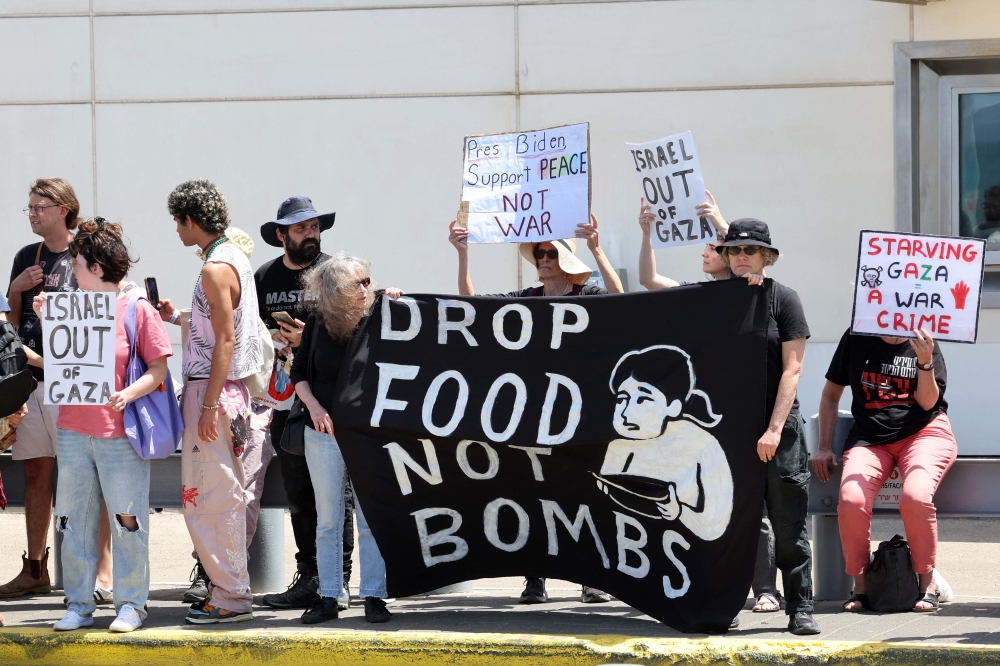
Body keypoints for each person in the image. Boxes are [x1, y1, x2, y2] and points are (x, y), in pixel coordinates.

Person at [448, 215, 621, 604]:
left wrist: (596, 247)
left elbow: (624, 300)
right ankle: (535, 580)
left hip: (582, 418)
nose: (543, 259)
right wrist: (462, 255)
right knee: (535, 496)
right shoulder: (525, 299)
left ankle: (591, 579)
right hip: (532, 418)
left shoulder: (588, 295)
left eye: (550, 253)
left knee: (585, 495)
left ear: (565, 261)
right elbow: (470, 307)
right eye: (539, 253)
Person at [637, 196, 780, 614]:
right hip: (709, 417)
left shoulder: (750, 289)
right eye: (720, 247)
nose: (709, 252)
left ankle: (765, 589)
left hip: (748, 415)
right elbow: (648, 279)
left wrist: (716, 218)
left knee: (756, 506)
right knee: (706, 500)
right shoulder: (697, 295)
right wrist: (646, 232)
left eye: (714, 247)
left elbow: (747, 248)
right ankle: (710, 585)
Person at [30, 218, 172, 633]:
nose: (70, 270)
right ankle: (78, 603)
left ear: (95, 265)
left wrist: (128, 394)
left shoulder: (137, 308)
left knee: (127, 519)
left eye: (76, 262)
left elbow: (159, 370)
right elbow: (64, 365)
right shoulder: (69, 308)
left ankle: (130, 604)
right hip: (73, 430)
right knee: (73, 520)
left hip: (120, 434)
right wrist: (46, 323)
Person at [158, 228, 276, 606]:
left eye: (179, 220)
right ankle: (226, 590)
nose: (176, 229)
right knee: (217, 496)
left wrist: (208, 405)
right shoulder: (234, 270)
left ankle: (230, 595)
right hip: (225, 396)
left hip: (220, 396)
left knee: (216, 497)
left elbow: (224, 340)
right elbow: (212, 330)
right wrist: (176, 316)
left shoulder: (218, 268)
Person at [715, 219, 819, 636]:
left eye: (750, 251)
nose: (741, 257)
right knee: (728, 524)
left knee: (788, 522)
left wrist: (774, 430)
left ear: (767, 257)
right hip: (727, 432)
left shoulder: (783, 299)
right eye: (734, 250)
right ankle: (724, 604)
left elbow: (793, 369)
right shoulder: (709, 300)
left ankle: (800, 608)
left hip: (779, 429)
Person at [253, 197, 355, 612]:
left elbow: (355, 327)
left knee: (336, 495)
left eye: (314, 227)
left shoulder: (336, 273)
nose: (310, 235)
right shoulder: (263, 276)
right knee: (299, 493)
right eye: (300, 229)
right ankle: (310, 576)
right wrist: (273, 339)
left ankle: (337, 580)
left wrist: (308, 338)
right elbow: (250, 331)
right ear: (281, 235)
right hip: (285, 400)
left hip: (329, 401)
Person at [811, 327, 954, 612]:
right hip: (869, 438)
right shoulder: (856, 336)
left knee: (915, 496)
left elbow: (928, 402)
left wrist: (924, 361)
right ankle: (862, 587)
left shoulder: (923, 338)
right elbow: (830, 396)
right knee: (851, 500)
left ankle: (927, 584)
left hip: (923, 432)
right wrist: (824, 446)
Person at [290, 253, 400, 625]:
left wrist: (398, 298)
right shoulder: (318, 320)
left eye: (369, 280)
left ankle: (374, 595)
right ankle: (330, 597)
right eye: (360, 283)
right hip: (322, 433)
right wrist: (315, 408)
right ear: (336, 290)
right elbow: (299, 373)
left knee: (371, 518)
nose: (367, 287)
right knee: (328, 520)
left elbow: (411, 319)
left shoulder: (380, 312)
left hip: (367, 435)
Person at [1, 178, 81, 600]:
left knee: (79, 477)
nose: (33, 213)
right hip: (30, 382)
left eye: (40, 206)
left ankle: (84, 574)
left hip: (72, 383)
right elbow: (10, 327)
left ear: (64, 208)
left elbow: (101, 317)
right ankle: (35, 568)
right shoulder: (25, 257)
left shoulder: (86, 255)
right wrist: (16, 289)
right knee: (36, 473)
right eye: (29, 207)